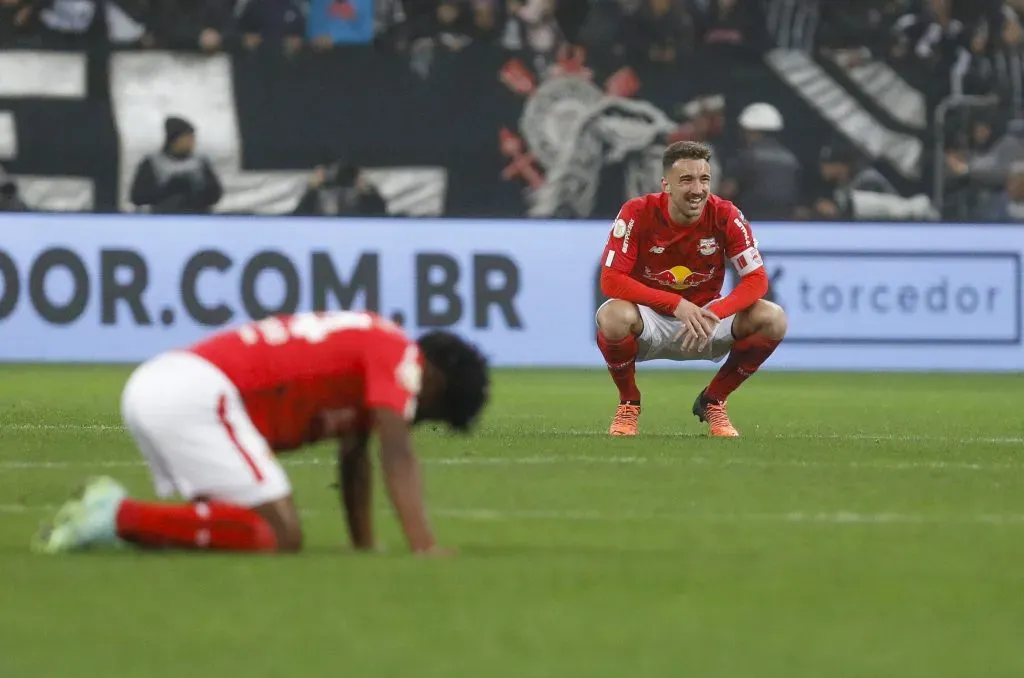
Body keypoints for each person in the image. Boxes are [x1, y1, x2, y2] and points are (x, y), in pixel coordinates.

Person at [32, 310, 489, 556]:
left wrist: (364, 546)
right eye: (431, 413)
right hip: (195, 395)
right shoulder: (400, 355)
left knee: (240, 530)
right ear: (436, 380)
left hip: (173, 385)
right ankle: (116, 515)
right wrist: (424, 547)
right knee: (279, 535)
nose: (416, 420)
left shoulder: (372, 355)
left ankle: (123, 526)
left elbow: (356, 457)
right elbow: (397, 451)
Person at [595, 140, 787, 438]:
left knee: (773, 318)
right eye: (686, 180)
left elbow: (756, 280)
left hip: (705, 319)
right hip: (653, 319)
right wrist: (674, 304)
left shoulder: (726, 214)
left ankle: (714, 400)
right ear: (666, 185)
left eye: (704, 179)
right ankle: (629, 403)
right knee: (611, 315)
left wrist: (716, 312)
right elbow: (611, 279)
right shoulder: (638, 212)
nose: (697, 189)